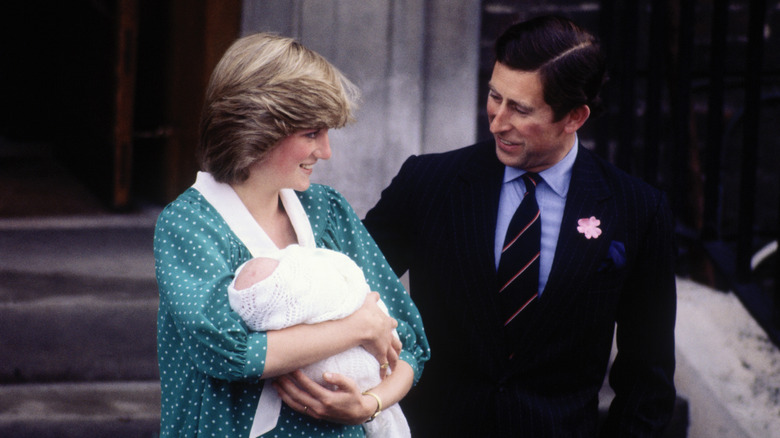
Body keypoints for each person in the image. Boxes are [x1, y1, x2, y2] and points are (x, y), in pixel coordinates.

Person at [363, 15, 677, 437]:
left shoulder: (638, 211)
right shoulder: (427, 183)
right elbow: (345, 289)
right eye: (495, 96)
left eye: (521, 109)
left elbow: (647, 379)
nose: (497, 120)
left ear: (575, 117)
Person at [153, 33, 429, 438]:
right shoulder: (189, 225)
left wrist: (368, 406)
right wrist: (359, 327)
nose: (326, 151)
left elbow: (409, 341)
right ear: (257, 127)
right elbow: (229, 353)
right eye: (311, 133)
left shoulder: (326, 210)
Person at [227, 244, 411, 437]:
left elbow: (410, 351)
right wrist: (361, 326)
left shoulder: (331, 218)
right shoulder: (204, 232)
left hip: (362, 416)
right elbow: (236, 354)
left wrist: (372, 404)